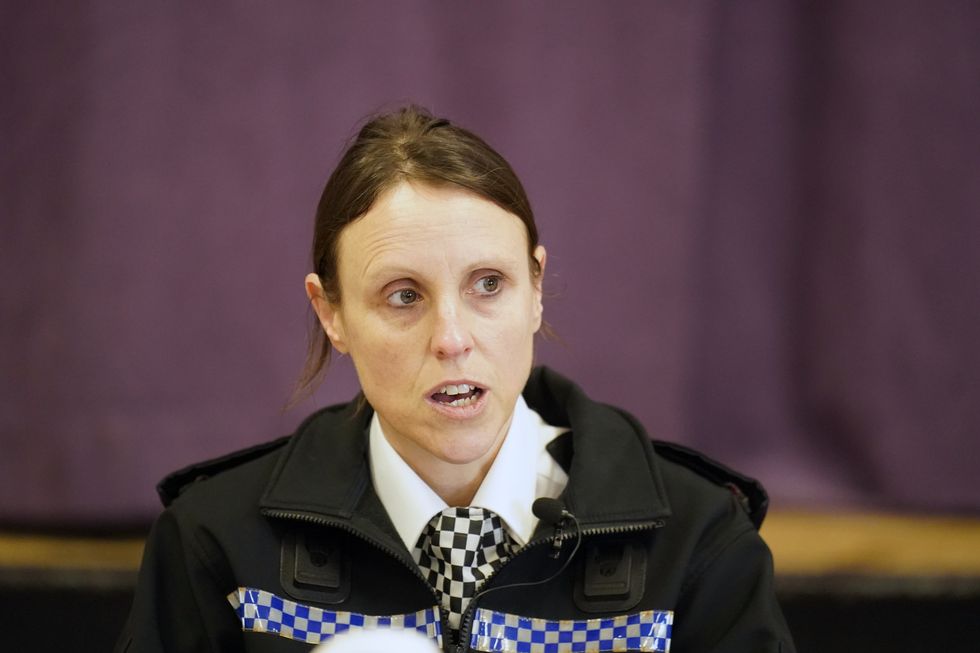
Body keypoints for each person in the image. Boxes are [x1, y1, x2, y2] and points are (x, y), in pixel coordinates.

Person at [117, 106, 796, 652]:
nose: (451, 338)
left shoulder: (696, 540)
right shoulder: (215, 545)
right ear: (332, 314)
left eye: (489, 284)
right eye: (403, 295)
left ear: (535, 287)